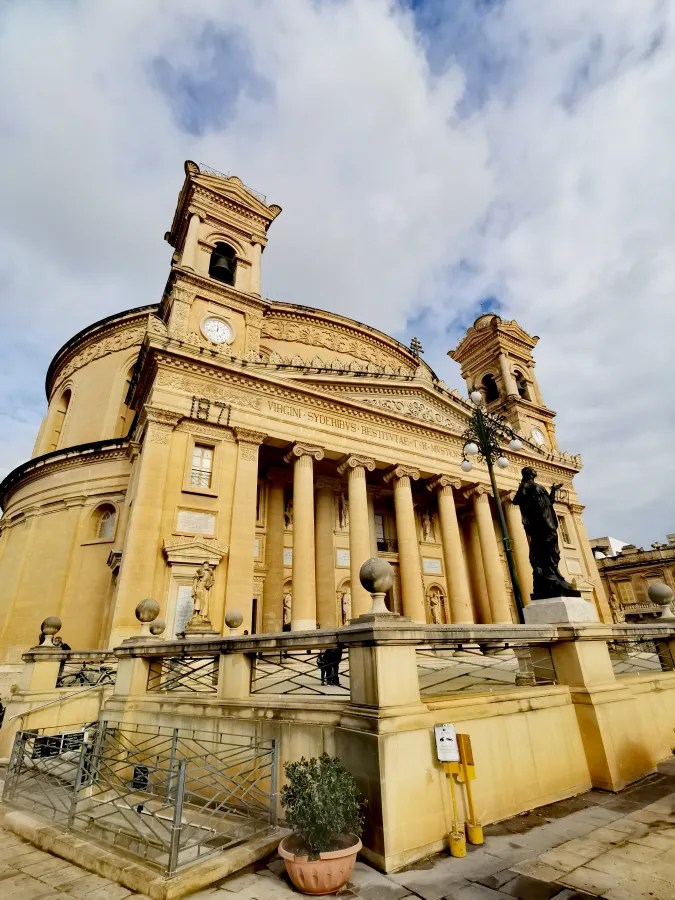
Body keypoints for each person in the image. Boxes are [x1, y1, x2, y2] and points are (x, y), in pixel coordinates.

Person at [513, 467, 579, 600]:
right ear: (529, 474)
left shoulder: (535, 487)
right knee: (545, 543)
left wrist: (553, 491)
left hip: (547, 519)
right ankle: (547, 574)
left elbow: (549, 502)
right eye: (532, 471)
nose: (535, 473)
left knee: (552, 549)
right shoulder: (526, 486)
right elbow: (516, 500)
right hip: (541, 522)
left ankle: (553, 573)